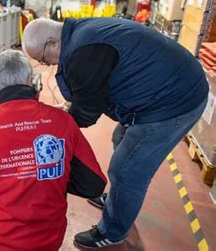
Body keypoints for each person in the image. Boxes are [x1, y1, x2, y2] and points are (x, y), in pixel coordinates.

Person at [21, 17, 209, 248]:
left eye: (42, 59)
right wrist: (69, 111)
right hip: (171, 84)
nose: (47, 65)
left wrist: (52, 125)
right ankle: (118, 201)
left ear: (52, 43)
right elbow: (91, 95)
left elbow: (87, 113)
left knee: (126, 169)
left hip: (174, 101)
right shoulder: (81, 33)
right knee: (119, 137)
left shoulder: (82, 55)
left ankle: (112, 231)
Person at [0, 49, 107, 250]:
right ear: (31, 80)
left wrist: (2, 177)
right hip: (51, 239)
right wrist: (51, 176)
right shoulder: (63, 121)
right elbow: (93, 185)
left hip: (1, 241)